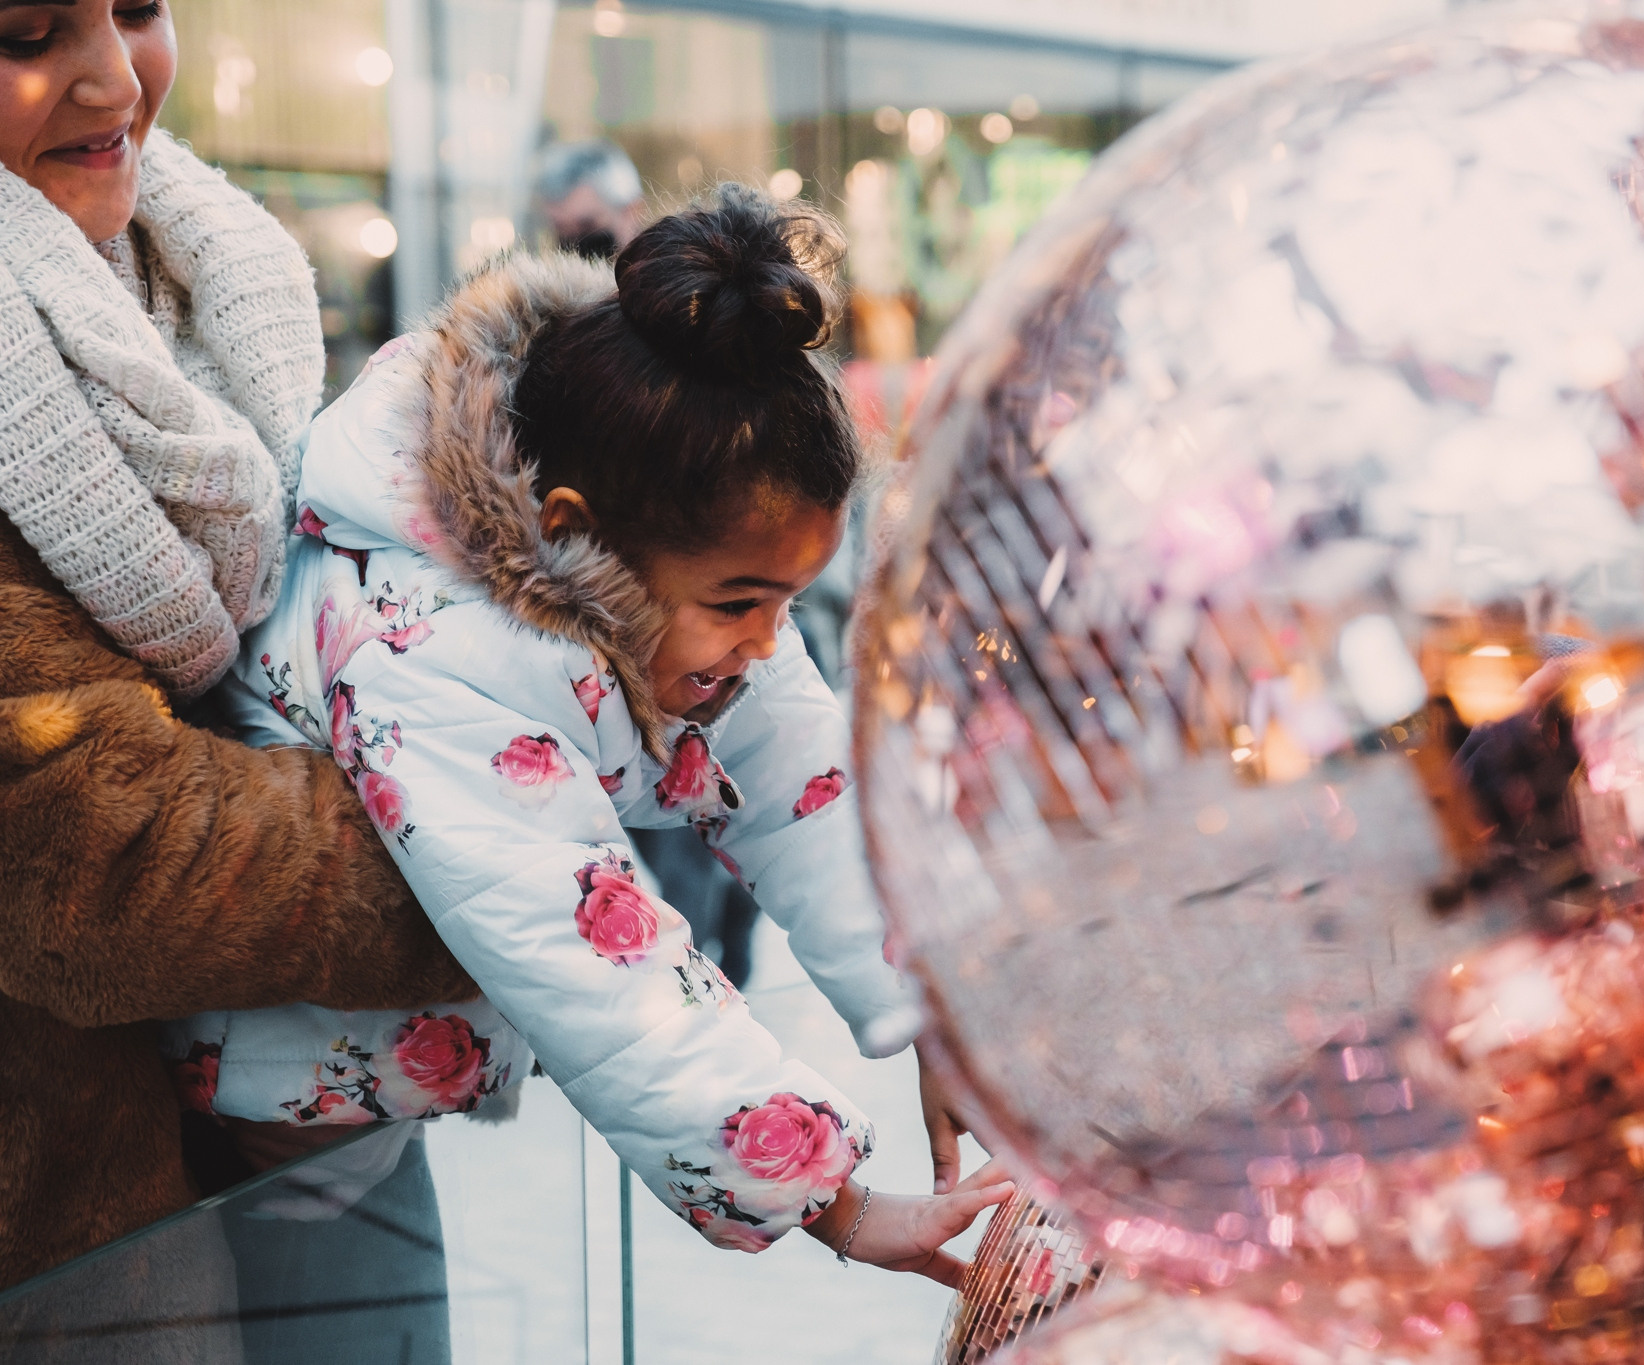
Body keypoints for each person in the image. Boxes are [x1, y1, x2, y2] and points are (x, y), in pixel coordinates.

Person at [171, 184, 1008, 1277]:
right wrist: (839, 1208)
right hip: (265, 1122)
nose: (766, 641)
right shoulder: (432, 656)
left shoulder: (657, 550)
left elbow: (803, 769)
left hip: (365, 1090)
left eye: (787, 604)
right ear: (573, 535)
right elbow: (596, 966)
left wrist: (935, 1010)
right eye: (739, 604)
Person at [0, 0, 474, 1294]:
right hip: (80, 1234)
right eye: (27, 31)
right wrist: (510, 836)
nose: (113, 81)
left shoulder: (205, 269)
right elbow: (87, 862)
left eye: (141, 9)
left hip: (327, 1133)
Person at [535, 137, 645, 261]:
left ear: (631, 211)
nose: (574, 243)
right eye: (560, 227)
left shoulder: (666, 276)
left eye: (587, 225)